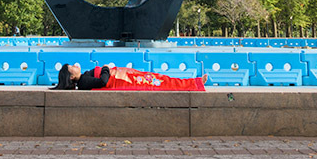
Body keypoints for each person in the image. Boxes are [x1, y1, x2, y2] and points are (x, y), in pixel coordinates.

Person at [51, 63, 206, 91]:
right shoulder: (84, 81)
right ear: (71, 77)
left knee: (160, 79)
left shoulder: (83, 79)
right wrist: (105, 68)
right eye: (72, 67)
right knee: (162, 82)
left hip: (125, 76)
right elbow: (103, 82)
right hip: (124, 80)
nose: (76, 66)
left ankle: (194, 82)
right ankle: (194, 84)